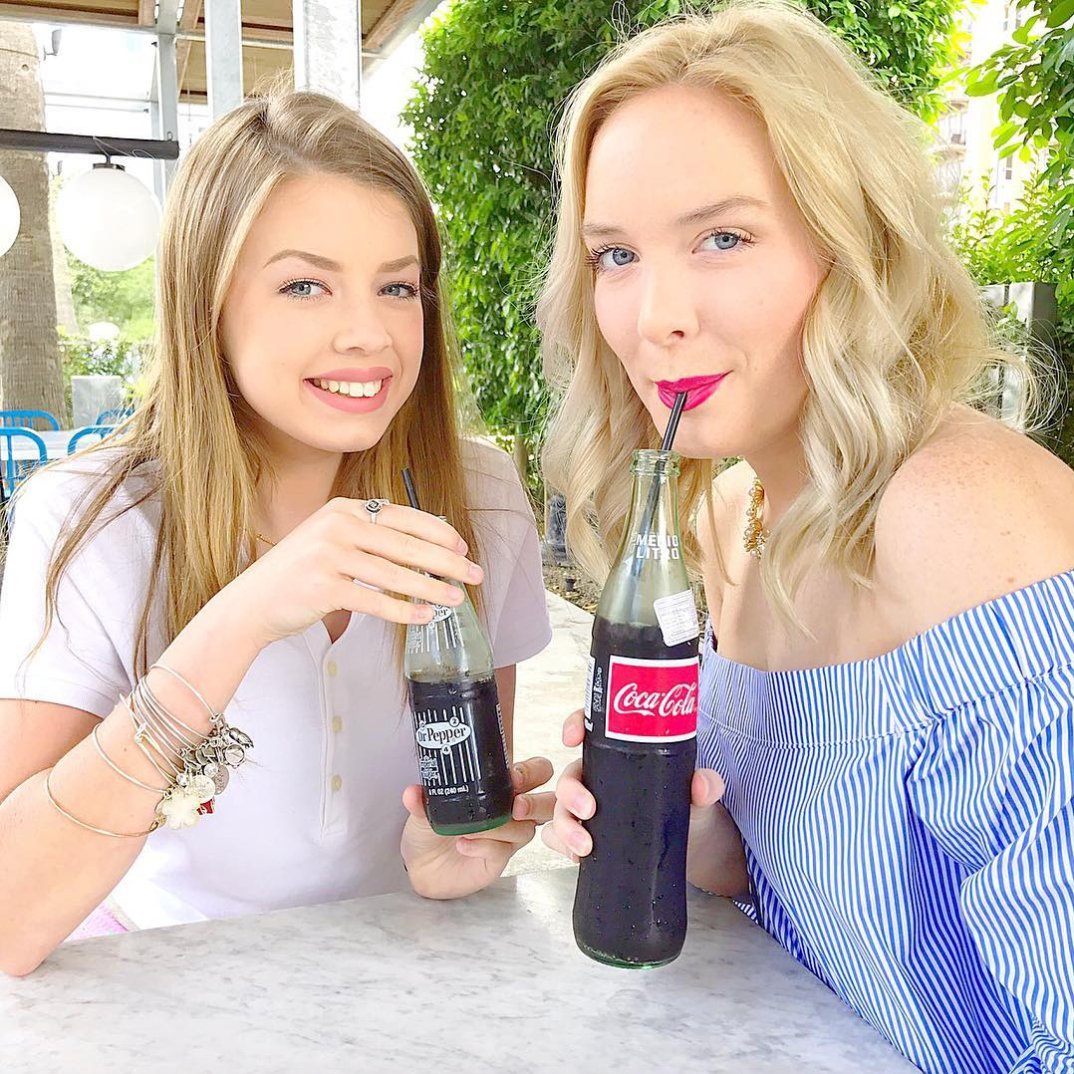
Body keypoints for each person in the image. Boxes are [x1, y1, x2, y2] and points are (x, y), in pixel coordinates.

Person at [539, 3, 1074, 1072]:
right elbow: (854, 925)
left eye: (723, 238)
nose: (655, 317)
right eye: (617, 255)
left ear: (853, 243)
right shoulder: (730, 519)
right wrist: (707, 848)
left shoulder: (960, 514)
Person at [0, 90, 554, 977]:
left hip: (404, 976)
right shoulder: (90, 518)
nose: (369, 335)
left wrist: (448, 856)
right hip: (164, 978)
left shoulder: (477, 496)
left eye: (398, 286)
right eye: (305, 285)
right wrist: (240, 619)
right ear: (206, 304)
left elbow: (466, 805)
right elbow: (10, 918)